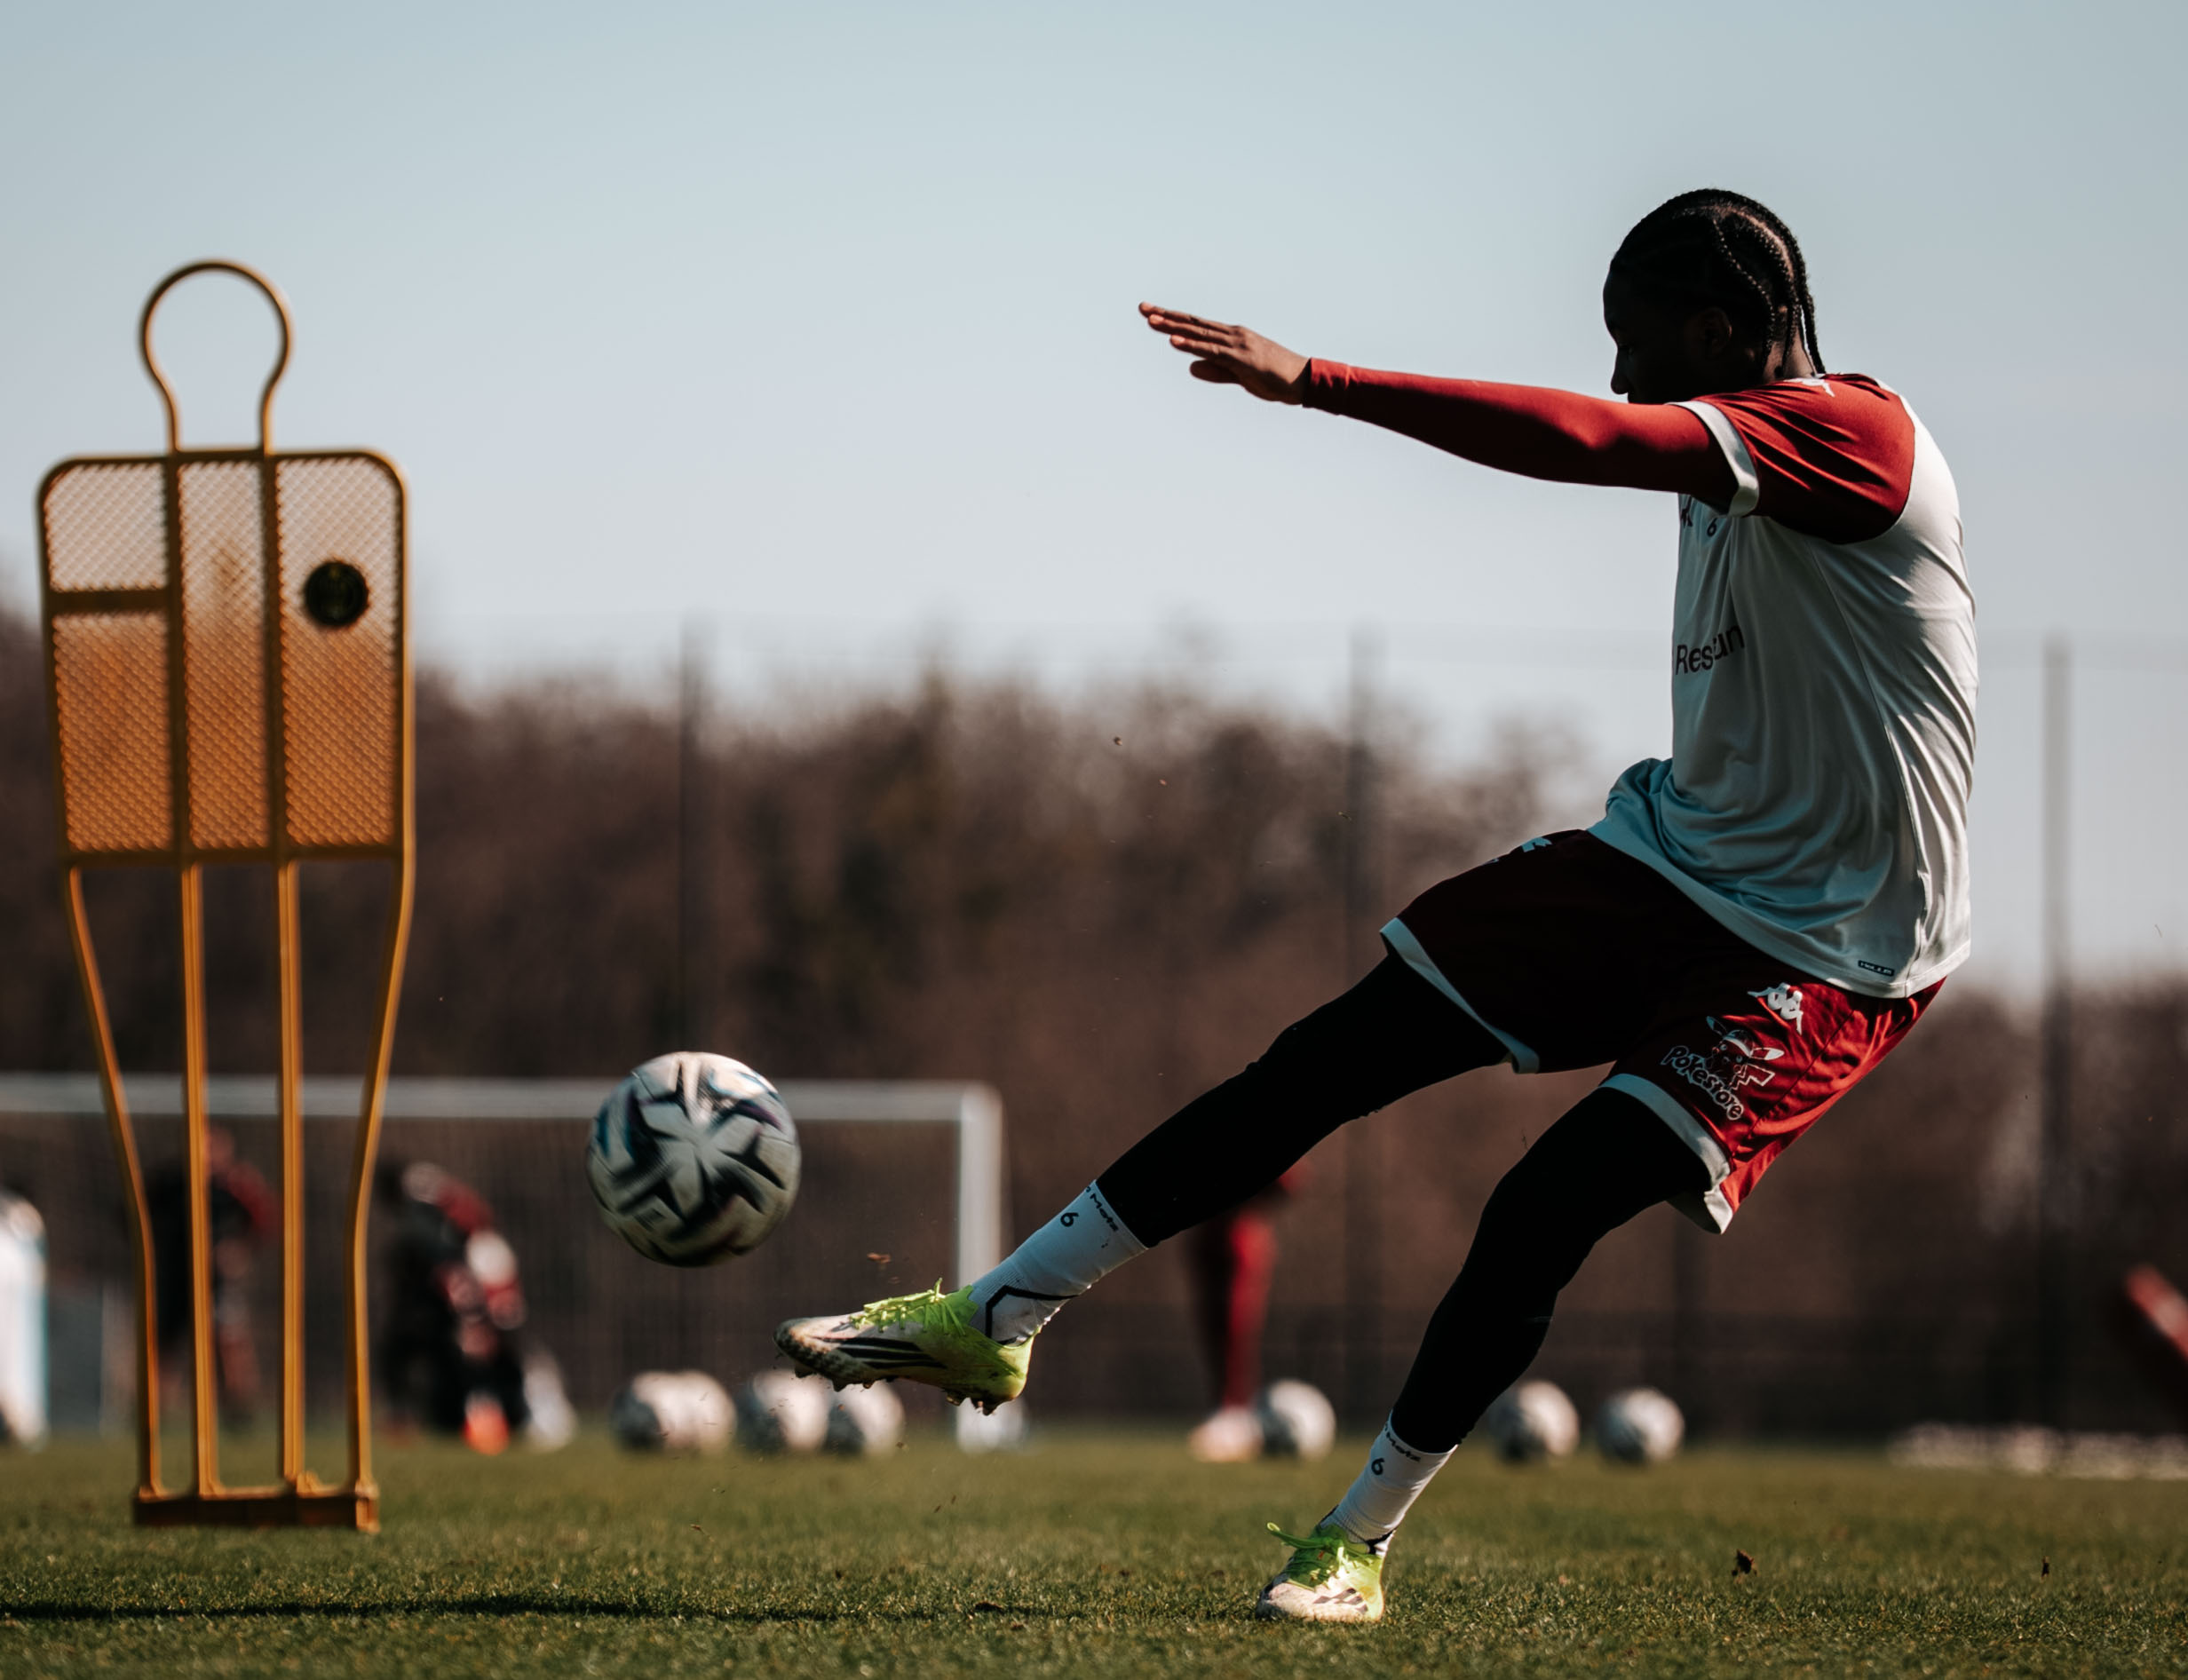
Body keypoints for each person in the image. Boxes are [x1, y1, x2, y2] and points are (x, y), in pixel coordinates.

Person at [779, 190, 1972, 1624]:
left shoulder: (1852, 438)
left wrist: (1319, 381)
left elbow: (1586, 441)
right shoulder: (1739, 443)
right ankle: (999, 1314)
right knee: (1327, 1057)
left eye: (1633, 342)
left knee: (1540, 1208)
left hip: (1830, 944)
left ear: (1717, 333)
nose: (1615, 376)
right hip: (1673, 862)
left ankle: (1354, 1544)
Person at [376, 1161, 571, 1453]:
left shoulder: (448, 1231)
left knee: (497, 1344)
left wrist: (475, 1316)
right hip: (463, 1284)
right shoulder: (432, 1210)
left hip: (476, 1279)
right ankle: (458, 1413)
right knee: (445, 1355)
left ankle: (528, 1409)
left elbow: (462, 1248)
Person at [147, 1126, 276, 1428]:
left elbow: (265, 1219)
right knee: (165, 1345)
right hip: (176, 1276)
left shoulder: (235, 1184)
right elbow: (136, 1212)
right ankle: (155, 1411)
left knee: (227, 1342)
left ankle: (238, 1410)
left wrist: (239, 1249)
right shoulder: (170, 1183)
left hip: (217, 1279)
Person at [1184, 1169, 1302, 1462]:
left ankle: (1234, 1412)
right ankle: (1225, 1410)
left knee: (1235, 1328)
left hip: (1241, 1237)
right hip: (1208, 1236)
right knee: (1212, 1327)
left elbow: (1288, 1179)